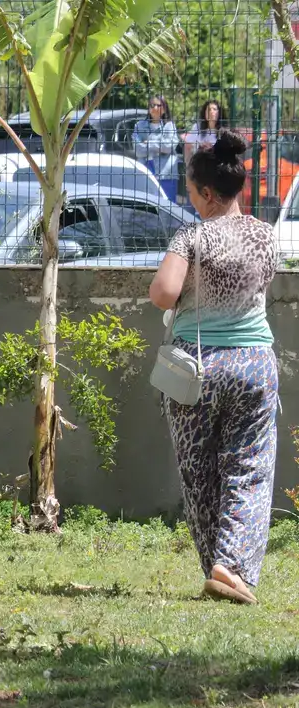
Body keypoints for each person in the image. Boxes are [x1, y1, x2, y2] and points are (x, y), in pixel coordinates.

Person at [149, 130, 278, 606]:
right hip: (254, 365)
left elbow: (163, 293)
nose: (190, 199)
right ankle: (232, 566)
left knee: (199, 472)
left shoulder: (191, 236)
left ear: (206, 192)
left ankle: (217, 567)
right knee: (249, 467)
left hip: (195, 369)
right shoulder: (265, 235)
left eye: (191, 191)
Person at [134, 95, 181, 203]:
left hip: (166, 173)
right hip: (145, 171)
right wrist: (160, 146)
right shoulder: (139, 126)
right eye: (152, 105)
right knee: (146, 204)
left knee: (168, 205)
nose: (155, 108)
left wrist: (148, 143)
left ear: (164, 109)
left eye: (158, 105)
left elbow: (169, 147)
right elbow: (138, 150)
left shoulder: (170, 126)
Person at [185, 99, 226, 166]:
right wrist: (188, 165)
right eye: (209, 109)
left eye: (214, 109)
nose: (211, 112)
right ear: (204, 113)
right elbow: (187, 146)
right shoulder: (197, 127)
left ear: (220, 113)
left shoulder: (225, 131)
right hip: (198, 166)